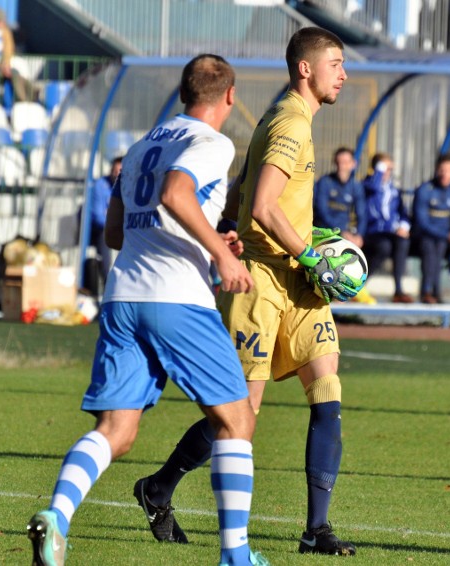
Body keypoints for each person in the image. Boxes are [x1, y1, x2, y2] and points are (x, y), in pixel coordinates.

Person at [26, 54, 268, 566]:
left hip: (123, 296)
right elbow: (176, 192)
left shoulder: (141, 146)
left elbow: (117, 232)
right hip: (177, 298)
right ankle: (236, 555)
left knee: (116, 431)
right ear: (229, 96)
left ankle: (56, 517)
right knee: (236, 422)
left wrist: (206, 238)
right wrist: (222, 254)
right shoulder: (212, 142)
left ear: (184, 92)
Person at [132, 27, 359, 557]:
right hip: (263, 279)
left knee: (328, 392)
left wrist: (293, 247)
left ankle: (316, 530)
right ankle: (159, 487)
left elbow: (242, 193)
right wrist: (309, 253)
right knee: (241, 413)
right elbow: (263, 206)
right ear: (306, 68)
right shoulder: (288, 122)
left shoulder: (287, 117)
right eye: (336, 63)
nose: (344, 74)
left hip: (297, 282)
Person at [313, 146, 375, 303]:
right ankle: (329, 288)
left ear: (353, 164)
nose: (342, 166)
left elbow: (362, 213)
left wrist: (359, 234)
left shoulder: (356, 185)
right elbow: (322, 212)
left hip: (347, 233)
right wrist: (342, 232)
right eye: (339, 162)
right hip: (326, 232)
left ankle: (355, 284)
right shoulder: (325, 182)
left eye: (346, 162)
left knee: (379, 247)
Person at [413, 153, 450, 304]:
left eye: (449, 170)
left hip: (446, 238)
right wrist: (447, 234)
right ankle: (428, 291)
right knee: (431, 247)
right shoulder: (425, 190)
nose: (445, 174)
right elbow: (422, 222)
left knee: (440, 246)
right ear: (437, 170)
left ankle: (435, 292)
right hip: (426, 236)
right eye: (442, 170)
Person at [362, 152, 413, 303]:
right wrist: (379, 171)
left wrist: (403, 226)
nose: (387, 172)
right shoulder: (367, 186)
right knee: (384, 246)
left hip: (390, 232)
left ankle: (398, 289)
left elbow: (403, 213)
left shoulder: (394, 191)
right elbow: (374, 188)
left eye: (390, 169)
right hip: (372, 232)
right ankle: (358, 285)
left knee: (402, 242)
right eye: (384, 168)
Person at [89, 156, 122, 286]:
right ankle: (108, 282)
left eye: (120, 171)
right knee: (105, 236)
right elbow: (98, 216)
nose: (117, 174)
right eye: (115, 170)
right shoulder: (100, 185)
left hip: (122, 227)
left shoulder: (131, 186)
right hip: (101, 229)